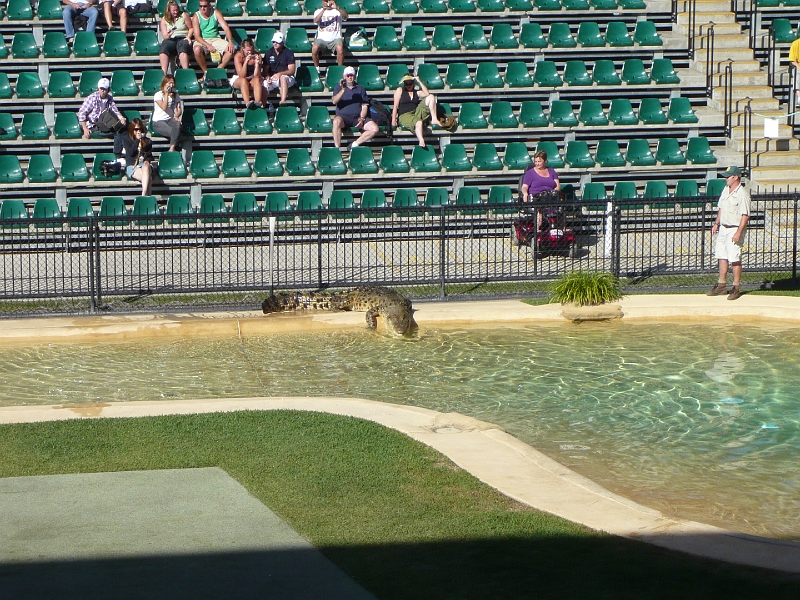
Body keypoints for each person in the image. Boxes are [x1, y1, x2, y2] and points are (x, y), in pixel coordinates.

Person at [708, 166, 750, 301]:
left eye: (728, 176)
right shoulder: (726, 190)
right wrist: (716, 223)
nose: (726, 178)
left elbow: (745, 215)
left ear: (736, 177)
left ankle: (736, 287)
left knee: (734, 258)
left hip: (734, 228)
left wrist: (738, 232)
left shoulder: (742, 194)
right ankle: (721, 285)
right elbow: (721, 208)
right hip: (723, 228)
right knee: (722, 256)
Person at [331, 66, 379, 150]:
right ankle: (337, 149)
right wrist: (343, 90)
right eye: (348, 75)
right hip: (343, 117)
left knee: (374, 128)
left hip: (357, 117)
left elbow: (364, 105)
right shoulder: (338, 87)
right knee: (336, 122)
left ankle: (355, 144)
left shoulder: (360, 88)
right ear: (344, 76)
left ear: (355, 76)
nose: (350, 77)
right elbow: (334, 101)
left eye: (352, 75)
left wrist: (362, 118)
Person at [391, 73, 441, 148]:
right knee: (419, 122)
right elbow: (395, 106)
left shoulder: (416, 92)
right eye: (406, 83)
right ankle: (421, 140)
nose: (408, 85)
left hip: (415, 113)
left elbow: (427, 93)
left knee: (431, 96)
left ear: (413, 83)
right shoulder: (400, 90)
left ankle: (434, 119)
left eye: (410, 83)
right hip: (405, 115)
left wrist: (419, 81)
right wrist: (393, 119)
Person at [192, 0, 235, 80]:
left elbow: (226, 28)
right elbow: (197, 36)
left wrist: (230, 41)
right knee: (196, 50)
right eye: (200, 6)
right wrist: (208, 45)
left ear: (209, 5)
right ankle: (206, 72)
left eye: (204, 6)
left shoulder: (216, 13)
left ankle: (217, 70)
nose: (202, 8)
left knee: (231, 50)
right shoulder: (196, 16)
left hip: (215, 39)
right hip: (203, 39)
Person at [117, 118, 154, 196]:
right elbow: (130, 153)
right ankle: (148, 196)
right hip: (133, 165)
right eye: (136, 129)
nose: (138, 131)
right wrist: (137, 141)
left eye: (140, 129)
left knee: (146, 167)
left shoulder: (147, 141)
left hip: (144, 164)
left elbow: (150, 155)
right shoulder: (126, 139)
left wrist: (147, 160)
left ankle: (143, 194)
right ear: (132, 129)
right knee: (148, 179)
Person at [152, 74, 188, 152]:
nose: (171, 85)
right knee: (174, 133)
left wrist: (177, 115)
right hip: (159, 120)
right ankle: (174, 148)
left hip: (169, 118)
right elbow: (164, 107)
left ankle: (171, 148)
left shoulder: (175, 96)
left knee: (177, 125)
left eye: (172, 83)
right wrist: (166, 95)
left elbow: (179, 109)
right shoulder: (158, 95)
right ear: (164, 83)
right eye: (169, 83)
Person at [262, 31, 296, 106]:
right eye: (274, 41)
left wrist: (280, 74)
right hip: (273, 78)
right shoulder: (268, 53)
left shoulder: (288, 53)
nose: (275, 43)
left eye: (277, 42)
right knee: (264, 83)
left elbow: (292, 70)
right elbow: (265, 71)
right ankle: (262, 106)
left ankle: (283, 101)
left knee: (283, 78)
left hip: (287, 77)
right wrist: (267, 77)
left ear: (282, 42)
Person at [311, 0, 347, 69]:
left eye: (329, 0)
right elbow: (315, 21)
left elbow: (346, 16)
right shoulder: (318, 11)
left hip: (335, 38)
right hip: (321, 39)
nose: (327, 2)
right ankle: (316, 68)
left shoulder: (337, 12)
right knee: (314, 48)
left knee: (340, 49)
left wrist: (337, 8)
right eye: (325, 1)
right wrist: (323, 10)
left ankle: (340, 68)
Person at [159, 0, 192, 73]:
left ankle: (186, 72)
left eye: (177, 10)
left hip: (183, 37)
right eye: (173, 10)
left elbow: (191, 28)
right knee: (164, 46)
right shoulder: (164, 19)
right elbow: (164, 36)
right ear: (169, 10)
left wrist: (188, 37)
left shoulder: (184, 15)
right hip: (171, 39)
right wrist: (168, 35)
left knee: (182, 45)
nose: (176, 12)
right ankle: (164, 73)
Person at [231, 38, 263, 109]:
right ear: (243, 49)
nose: (250, 53)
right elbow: (242, 75)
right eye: (248, 50)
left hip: (252, 77)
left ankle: (257, 102)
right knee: (243, 80)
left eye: (251, 50)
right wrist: (245, 63)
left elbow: (257, 75)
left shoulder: (257, 55)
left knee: (257, 79)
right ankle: (248, 102)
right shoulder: (238, 56)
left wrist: (257, 64)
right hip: (239, 78)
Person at [789, 36, 800, 101]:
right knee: (797, 73)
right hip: (798, 64)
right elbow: (793, 60)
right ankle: (799, 97)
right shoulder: (795, 43)